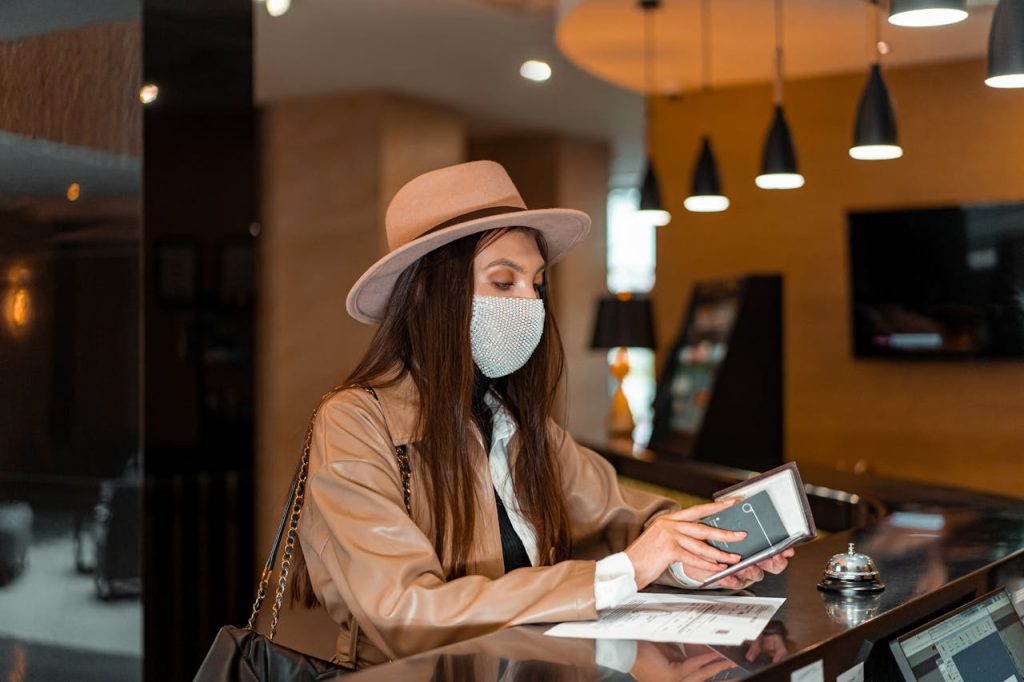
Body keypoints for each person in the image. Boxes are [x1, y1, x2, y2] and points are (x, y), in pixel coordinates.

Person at [291, 160, 794, 669]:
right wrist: (622, 573)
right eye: (504, 283)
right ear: (428, 292)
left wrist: (712, 556)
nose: (530, 303)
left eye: (536, 284)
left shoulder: (514, 423)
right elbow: (404, 613)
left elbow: (626, 520)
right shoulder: (354, 423)